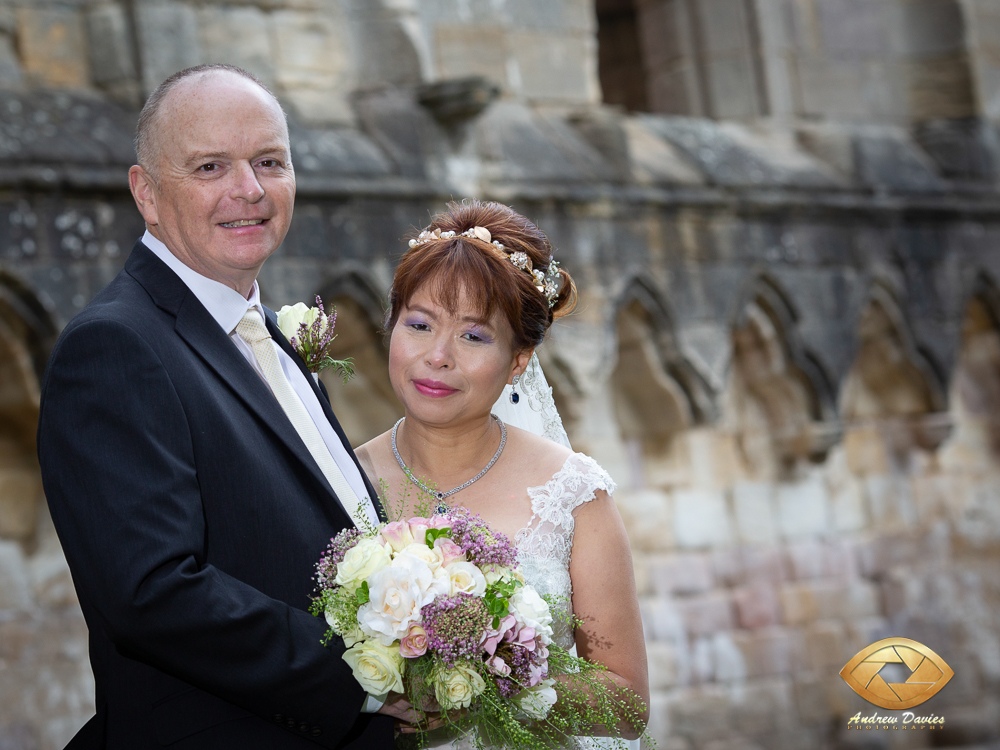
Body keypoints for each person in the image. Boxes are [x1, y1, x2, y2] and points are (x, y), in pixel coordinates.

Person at [36, 64, 416, 749]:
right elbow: (151, 593)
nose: (250, 189)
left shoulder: (270, 332)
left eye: (270, 161)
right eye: (210, 166)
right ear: (147, 194)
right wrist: (370, 674)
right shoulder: (115, 346)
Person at [356, 200, 650, 746]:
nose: (437, 356)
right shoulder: (342, 479)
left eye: (473, 336)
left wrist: (485, 685)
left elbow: (627, 702)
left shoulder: (572, 493)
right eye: (419, 324)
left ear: (519, 359)